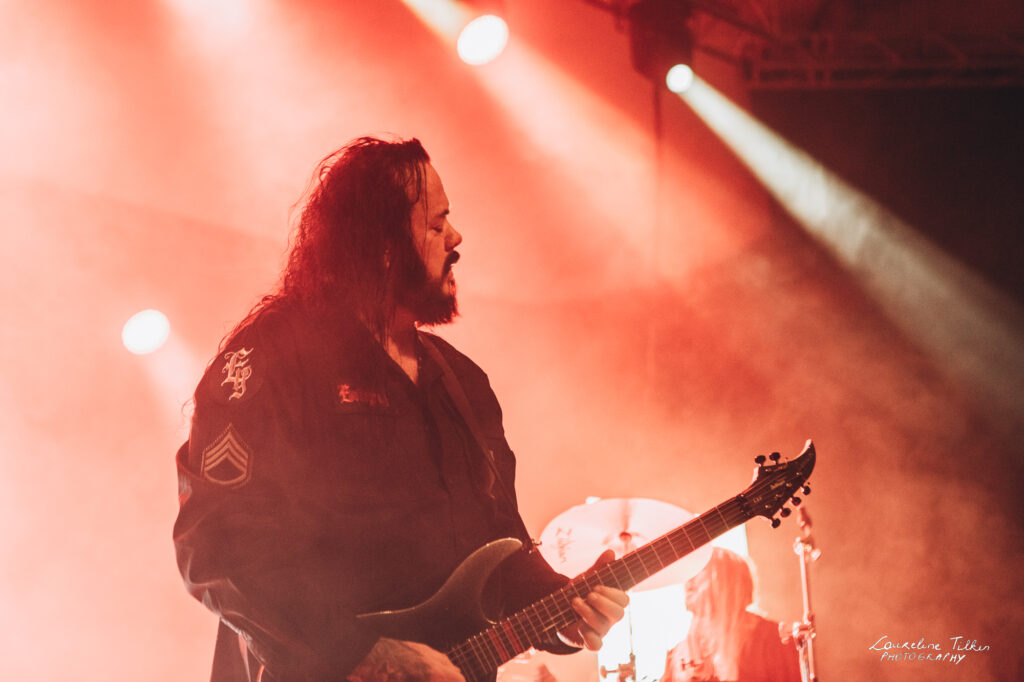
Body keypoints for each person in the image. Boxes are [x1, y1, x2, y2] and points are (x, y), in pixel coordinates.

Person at [172, 136, 628, 682]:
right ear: (382, 245)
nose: (455, 238)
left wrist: (564, 611)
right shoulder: (273, 357)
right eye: (436, 225)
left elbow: (499, 551)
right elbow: (216, 547)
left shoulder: (462, 382)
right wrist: (361, 655)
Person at [662, 549, 800, 682]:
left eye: (699, 571)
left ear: (727, 580)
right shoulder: (678, 655)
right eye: (689, 573)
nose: (689, 581)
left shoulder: (773, 640)